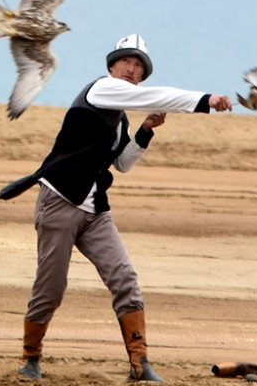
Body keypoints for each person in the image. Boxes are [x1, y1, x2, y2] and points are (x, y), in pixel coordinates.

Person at [17, 34, 233, 382]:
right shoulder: (101, 89)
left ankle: (140, 363)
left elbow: (122, 164)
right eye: (126, 62)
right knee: (51, 287)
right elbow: (154, 96)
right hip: (59, 200)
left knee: (125, 279)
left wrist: (145, 131)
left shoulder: (120, 118)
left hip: (94, 210)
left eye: (138, 66)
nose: (132, 69)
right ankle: (31, 358)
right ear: (112, 65)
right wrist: (205, 100)